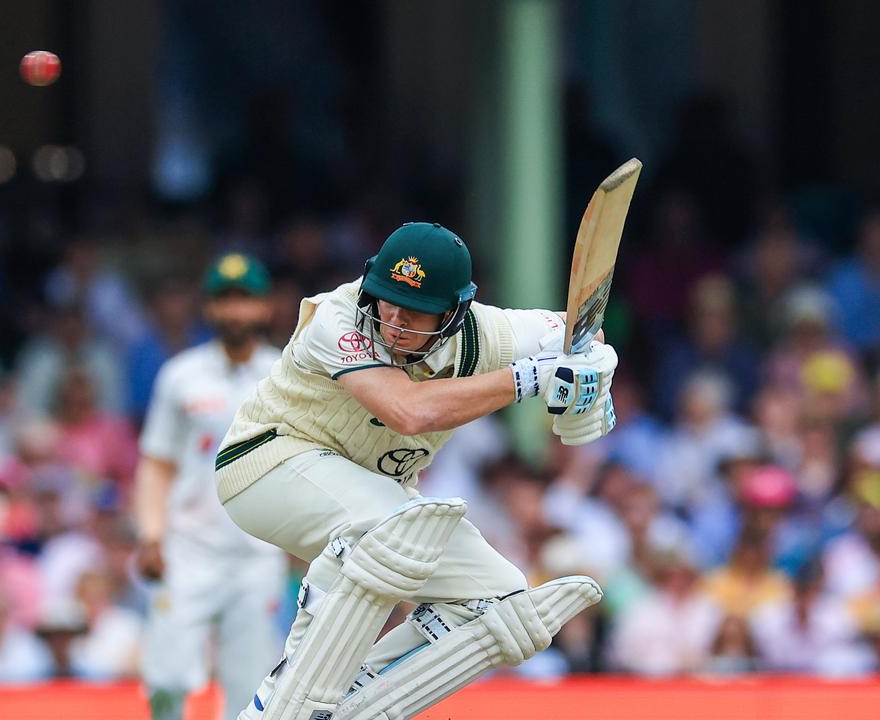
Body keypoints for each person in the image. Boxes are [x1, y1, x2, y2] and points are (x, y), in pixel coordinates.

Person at [215, 223, 617, 720]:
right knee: (395, 529)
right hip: (265, 465)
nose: (395, 322)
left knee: (502, 604)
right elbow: (407, 410)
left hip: (373, 500)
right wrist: (530, 378)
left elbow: (582, 333)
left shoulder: (490, 335)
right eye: (387, 301)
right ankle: (279, 700)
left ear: (453, 312)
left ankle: (347, 699)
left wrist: (593, 367)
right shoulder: (339, 318)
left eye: (416, 311)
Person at [135, 254, 287, 720]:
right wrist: (151, 535)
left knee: (248, 690)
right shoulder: (181, 375)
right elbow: (157, 465)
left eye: (245, 300)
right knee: (165, 679)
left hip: (257, 554)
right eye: (225, 299)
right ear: (209, 308)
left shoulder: (285, 374)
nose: (235, 311)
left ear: (265, 308)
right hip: (188, 549)